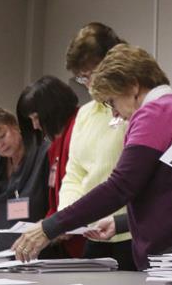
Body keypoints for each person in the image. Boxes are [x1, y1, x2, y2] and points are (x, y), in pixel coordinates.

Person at [11, 44, 172, 270]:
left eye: (112, 101)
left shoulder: (155, 112)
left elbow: (120, 187)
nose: (114, 112)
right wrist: (120, 223)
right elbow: (168, 194)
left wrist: (49, 227)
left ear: (133, 86)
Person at [58, 22, 136, 270]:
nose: (88, 84)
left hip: (131, 234)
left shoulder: (136, 108)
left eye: (90, 73)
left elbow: (133, 178)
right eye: (81, 77)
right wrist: (66, 215)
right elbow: (75, 173)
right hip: (94, 233)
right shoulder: (85, 114)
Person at [16, 75, 85, 258]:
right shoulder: (54, 144)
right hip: (68, 241)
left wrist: (53, 226)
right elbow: (57, 197)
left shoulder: (81, 128)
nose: (36, 126)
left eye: (36, 118)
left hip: (86, 240)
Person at [0, 100, 49, 253]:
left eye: (2, 135)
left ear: (15, 125)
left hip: (43, 255)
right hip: (2, 257)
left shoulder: (44, 154)